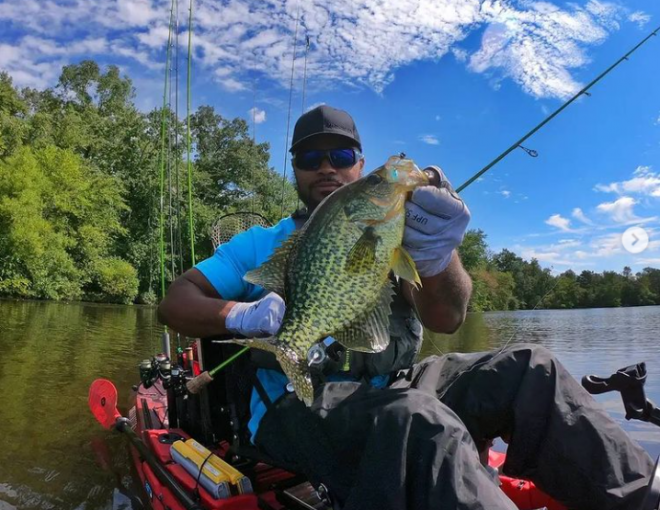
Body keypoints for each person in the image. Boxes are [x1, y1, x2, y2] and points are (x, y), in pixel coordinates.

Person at [158, 104, 653, 510]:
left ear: (359, 163)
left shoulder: (398, 229)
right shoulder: (259, 243)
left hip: (390, 386)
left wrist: (437, 254)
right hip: (294, 407)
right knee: (417, 420)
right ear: (295, 170)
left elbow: (447, 319)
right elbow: (175, 301)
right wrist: (238, 315)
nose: (326, 166)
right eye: (311, 157)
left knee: (529, 368)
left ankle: (642, 498)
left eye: (340, 153)